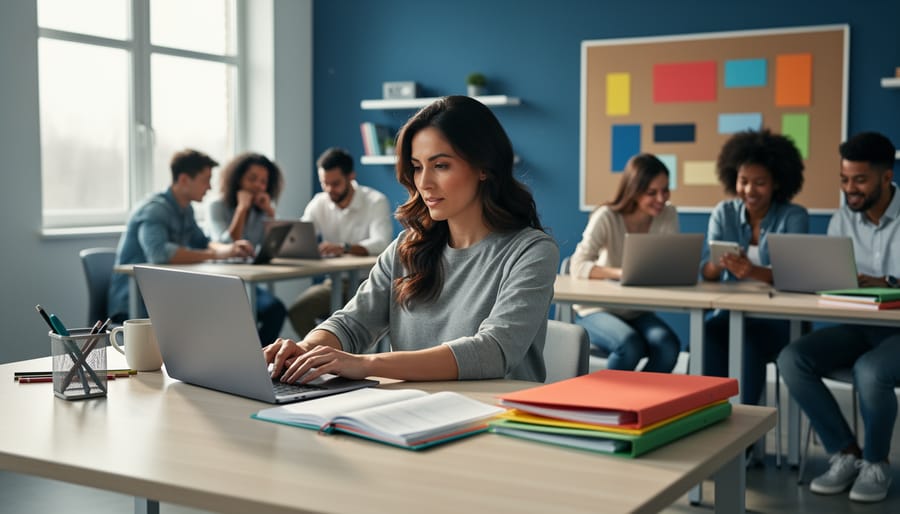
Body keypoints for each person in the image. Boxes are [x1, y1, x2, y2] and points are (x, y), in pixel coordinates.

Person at [265, 95, 559, 383]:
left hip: (495, 419)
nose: (424, 182)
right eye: (417, 167)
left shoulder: (531, 251)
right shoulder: (407, 248)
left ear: (483, 167)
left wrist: (367, 364)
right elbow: (352, 323)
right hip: (411, 416)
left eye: (441, 165)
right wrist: (306, 348)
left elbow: (493, 351)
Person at [778, 131, 900, 503]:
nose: (851, 190)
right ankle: (845, 453)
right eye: (844, 180)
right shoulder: (841, 220)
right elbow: (832, 281)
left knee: (870, 371)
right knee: (792, 358)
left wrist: (889, 282)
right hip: (859, 327)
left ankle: (877, 463)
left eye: (860, 180)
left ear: (885, 176)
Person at [701, 129, 808, 405]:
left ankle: (744, 439)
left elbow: (797, 275)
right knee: (707, 335)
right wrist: (715, 265)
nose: (749, 190)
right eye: (743, 181)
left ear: (776, 183)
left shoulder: (793, 217)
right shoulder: (723, 213)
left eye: (759, 182)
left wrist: (752, 271)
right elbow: (707, 272)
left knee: (748, 344)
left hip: (779, 318)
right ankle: (706, 418)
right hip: (731, 312)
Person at [108, 149, 254, 323]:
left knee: (223, 310)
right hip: (134, 305)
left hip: (164, 299)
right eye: (205, 180)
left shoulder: (186, 209)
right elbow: (159, 253)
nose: (209, 187)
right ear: (184, 179)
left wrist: (229, 249)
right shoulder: (155, 209)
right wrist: (216, 254)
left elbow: (203, 243)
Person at [569, 153, 682, 372]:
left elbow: (671, 262)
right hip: (596, 309)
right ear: (634, 191)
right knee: (629, 345)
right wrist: (622, 272)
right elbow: (577, 265)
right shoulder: (607, 216)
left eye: (665, 190)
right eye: (652, 192)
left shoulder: (667, 215)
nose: (661, 198)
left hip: (637, 311)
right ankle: (606, 403)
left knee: (667, 345)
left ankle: (644, 401)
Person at [286, 147, 393, 337]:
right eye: (324, 183)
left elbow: (382, 243)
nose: (329, 190)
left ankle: (343, 360)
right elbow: (299, 236)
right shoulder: (320, 202)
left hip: (371, 282)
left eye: (335, 184)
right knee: (298, 311)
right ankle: (323, 360)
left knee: (354, 321)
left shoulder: (375, 201)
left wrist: (344, 247)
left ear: (351, 176)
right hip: (335, 282)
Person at [206, 152, 287, 346]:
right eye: (252, 179)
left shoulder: (260, 211)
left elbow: (271, 248)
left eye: (263, 181)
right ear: (237, 178)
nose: (258, 186)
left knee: (275, 310)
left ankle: (257, 358)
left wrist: (270, 213)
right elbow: (226, 243)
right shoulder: (217, 206)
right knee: (239, 318)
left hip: (247, 281)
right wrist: (241, 209)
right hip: (219, 281)